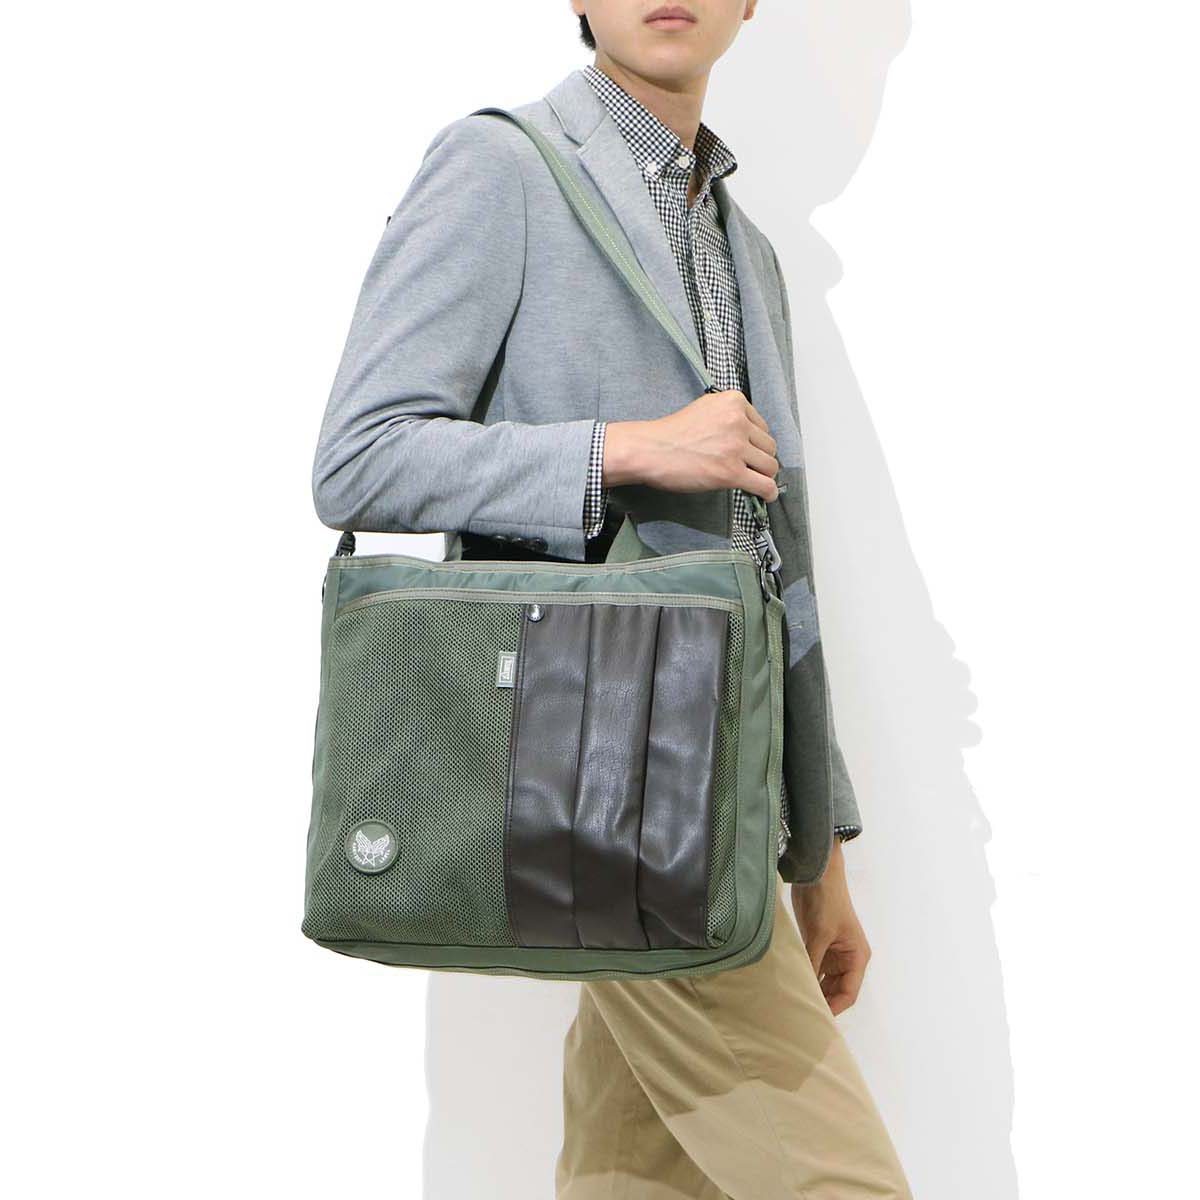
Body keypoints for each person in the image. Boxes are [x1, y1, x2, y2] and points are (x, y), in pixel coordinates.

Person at [313, 2, 913, 1195]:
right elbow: (360, 458)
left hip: (713, 809)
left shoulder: (746, 248)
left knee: (634, 1177)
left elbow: (774, 567)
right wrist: (625, 450)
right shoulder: (502, 168)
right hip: (601, 785)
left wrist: (816, 853)